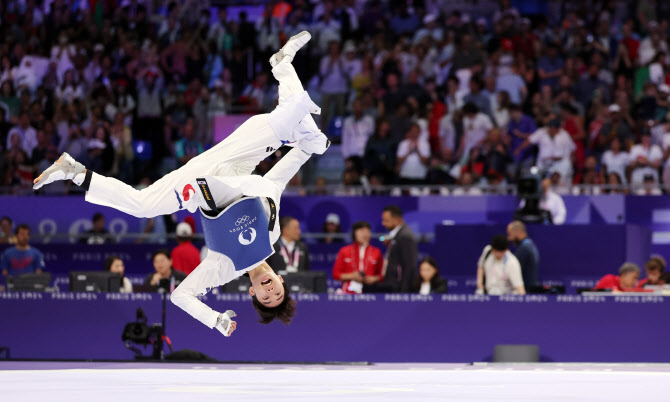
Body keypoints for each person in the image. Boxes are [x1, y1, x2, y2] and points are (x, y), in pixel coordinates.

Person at [33, 32, 327, 337]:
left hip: (202, 182)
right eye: (277, 293)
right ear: (281, 279)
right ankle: (283, 71)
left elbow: (180, 295)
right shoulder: (273, 233)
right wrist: (304, 152)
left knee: (143, 205)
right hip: (235, 164)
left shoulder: (223, 269)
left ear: (252, 293)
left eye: (266, 298)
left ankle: (75, 172)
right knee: (283, 125)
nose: (270, 293)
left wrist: (215, 319)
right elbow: (275, 182)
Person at [332, 221, 384, 294]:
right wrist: (352, 276)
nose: (365, 234)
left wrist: (374, 279)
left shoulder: (376, 252)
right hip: (348, 292)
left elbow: (382, 275)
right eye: (362, 231)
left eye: (367, 231)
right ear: (354, 233)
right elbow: (336, 274)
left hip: (371, 291)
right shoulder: (344, 251)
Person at [375, 205, 417, 292]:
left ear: (397, 219)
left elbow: (409, 265)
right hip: (391, 284)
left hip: (398, 286)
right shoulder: (396, 235)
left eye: (386, 220)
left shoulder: (405, 236)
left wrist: (404, 290)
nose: (383, 223)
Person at [506, 220, 540, 292]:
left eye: (510, 234)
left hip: (525, 291)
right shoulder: (530, 245)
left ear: (518, 232)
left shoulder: (524, 248)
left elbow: (514, 271)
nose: (509, 238)